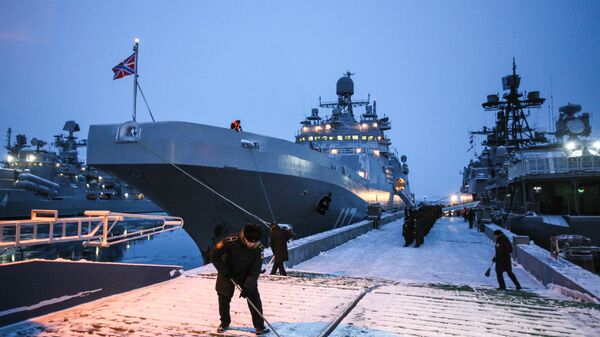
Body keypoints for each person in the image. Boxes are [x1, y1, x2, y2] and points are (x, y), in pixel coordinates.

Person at [211, 223, 270, 335]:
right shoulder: (230, 241)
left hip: (245, 274)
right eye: (250, 242)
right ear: (244, 237)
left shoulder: (258, 248)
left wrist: (248, 286)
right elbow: (214, 255)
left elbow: (255, 269)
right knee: (224, 298)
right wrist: (224, 270)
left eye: (255, 242)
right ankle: (224, 323)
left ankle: (259, 326)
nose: (253, 244)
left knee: (254, 298)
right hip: (227, 273)